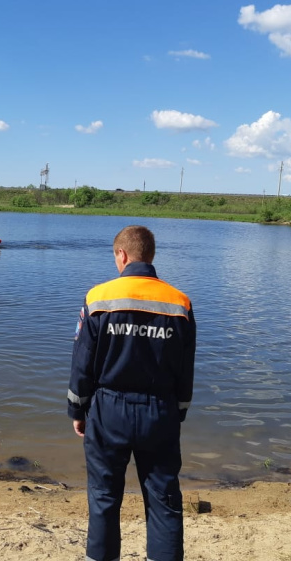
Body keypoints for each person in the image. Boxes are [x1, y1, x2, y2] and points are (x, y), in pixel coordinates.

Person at [67, 225, 196, 561]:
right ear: (150, 255)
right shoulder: (180, 303)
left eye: (115, 257)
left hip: (108, 410)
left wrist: (77, 410)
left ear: (121, 255)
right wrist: (177, 412)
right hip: (160, 411)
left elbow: (83, 362)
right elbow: (185, 370)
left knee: (104, 498)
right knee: (164, 500)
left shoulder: (98, 299)